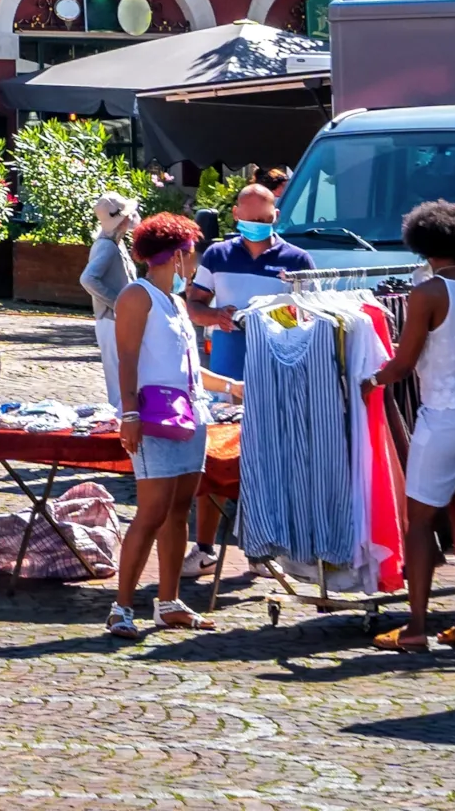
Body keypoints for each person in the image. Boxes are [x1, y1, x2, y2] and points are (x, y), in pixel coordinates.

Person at [368, 199, 455, 653]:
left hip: (448, 413)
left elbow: (403, 363)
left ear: (421, 242)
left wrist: (365, 378)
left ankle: (415, 627)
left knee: (420, 520)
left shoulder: (426, 293)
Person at [107, 210, 214, 636]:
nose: (195, 262)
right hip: (153, 416)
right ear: (178, 255)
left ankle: (168, 602)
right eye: (191, 254)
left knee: (177, 512)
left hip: (191, 413)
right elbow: (126, 359)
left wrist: (234, 387)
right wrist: (128, 413)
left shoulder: (176, 301)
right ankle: (121, 607)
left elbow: (184, 366)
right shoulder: (138, 295)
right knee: (150, 512)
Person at [189, 184, 311, 384]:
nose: (257, 225)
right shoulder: (216, 255)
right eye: (251, 220)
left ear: (276, 215)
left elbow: (311, 316)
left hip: (279, 358)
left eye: (264, 220)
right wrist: (216, 316)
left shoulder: (298, 260)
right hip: (228, 357)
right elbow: (194, 306)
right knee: (230, 414)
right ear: (236, 214)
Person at [81, 194, 140, 406]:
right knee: (119, 380)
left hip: (117, 321)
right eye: (128, 214)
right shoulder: (107, 246)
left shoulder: (116, 243)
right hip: (112, 321)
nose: (133, 217)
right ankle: (121, 424)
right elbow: (88, 279)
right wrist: (118, 304)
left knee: (125, 376)